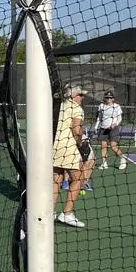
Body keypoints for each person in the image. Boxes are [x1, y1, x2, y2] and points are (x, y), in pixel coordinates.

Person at [53, 84, 87, 228]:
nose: (82, 98)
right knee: (78, 178)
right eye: (80, 95)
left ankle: (49, 212)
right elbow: (77, 130)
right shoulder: (77, 109)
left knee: (56, 178)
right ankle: (66, 214)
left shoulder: (59, 106)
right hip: (68, 147)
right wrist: (80, 144)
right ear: (73, 96)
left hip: (54, 146)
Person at [94, 90, 126, 170]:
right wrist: (96, 126)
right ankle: (104, 163)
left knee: (113, 146)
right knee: (103, 146)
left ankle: (122, 159)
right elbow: (99, 117)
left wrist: (115, 124)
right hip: (103, 128)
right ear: (104, 98)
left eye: (110, 98)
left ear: (113, 99)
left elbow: (119, 118)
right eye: (107, 97)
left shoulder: (117, 106)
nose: (109, 99)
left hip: (113, 129)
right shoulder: (101, 106)